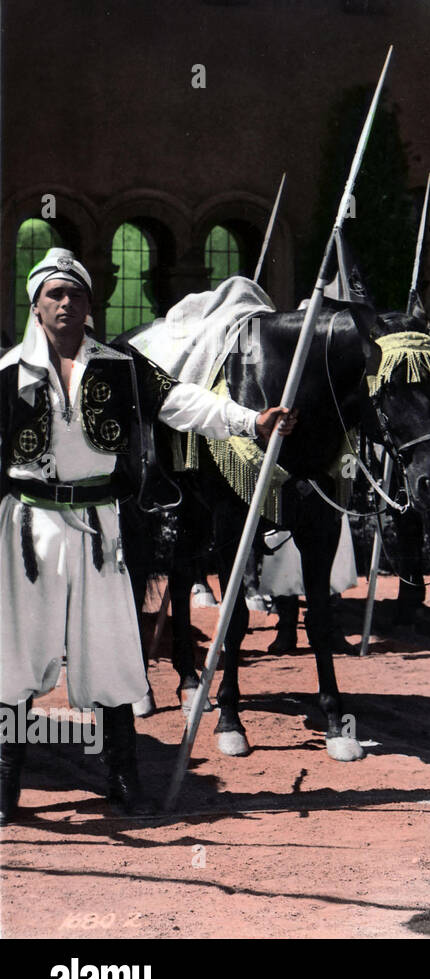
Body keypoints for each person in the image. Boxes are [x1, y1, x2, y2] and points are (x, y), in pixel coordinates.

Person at [0, 248, 296, 823]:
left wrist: (247, 421)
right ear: (35, 305)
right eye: (54, 295)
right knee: (14, 658)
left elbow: (182, 402)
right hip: (28, 530)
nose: (66, 304)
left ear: (90, 305)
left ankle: (121, 773)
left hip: (100, 529)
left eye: (76, 294)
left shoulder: (121, 365)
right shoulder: (8, 373)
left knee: (108, 650)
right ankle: (6, 779)